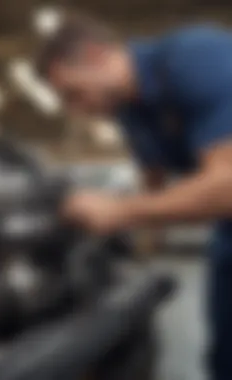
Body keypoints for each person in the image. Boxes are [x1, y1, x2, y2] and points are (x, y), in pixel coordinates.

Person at [35, 14, 232, 380]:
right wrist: (133, 246)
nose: (77, 109)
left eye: (73, 93)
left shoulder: (194, 58)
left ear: (97, 55)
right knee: (225, 357)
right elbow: (153, 180)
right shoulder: (129, 111)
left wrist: (119, 212)